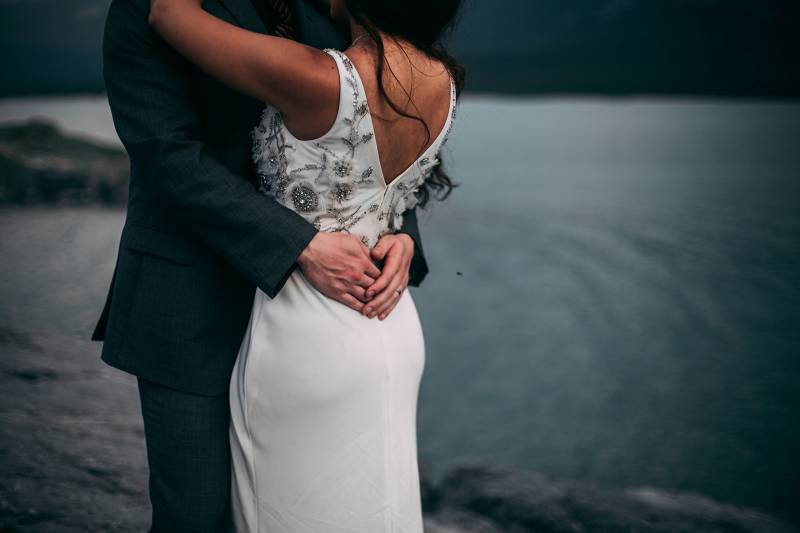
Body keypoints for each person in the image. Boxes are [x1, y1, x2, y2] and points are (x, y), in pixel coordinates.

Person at [94, 0, 462, 530]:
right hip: (188, 301)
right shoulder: (144, 6)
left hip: (318, 324)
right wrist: (299, 244)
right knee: (195, 515)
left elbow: (369, 131)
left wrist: (398, 234)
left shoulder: (331, 6)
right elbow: (166, 154)